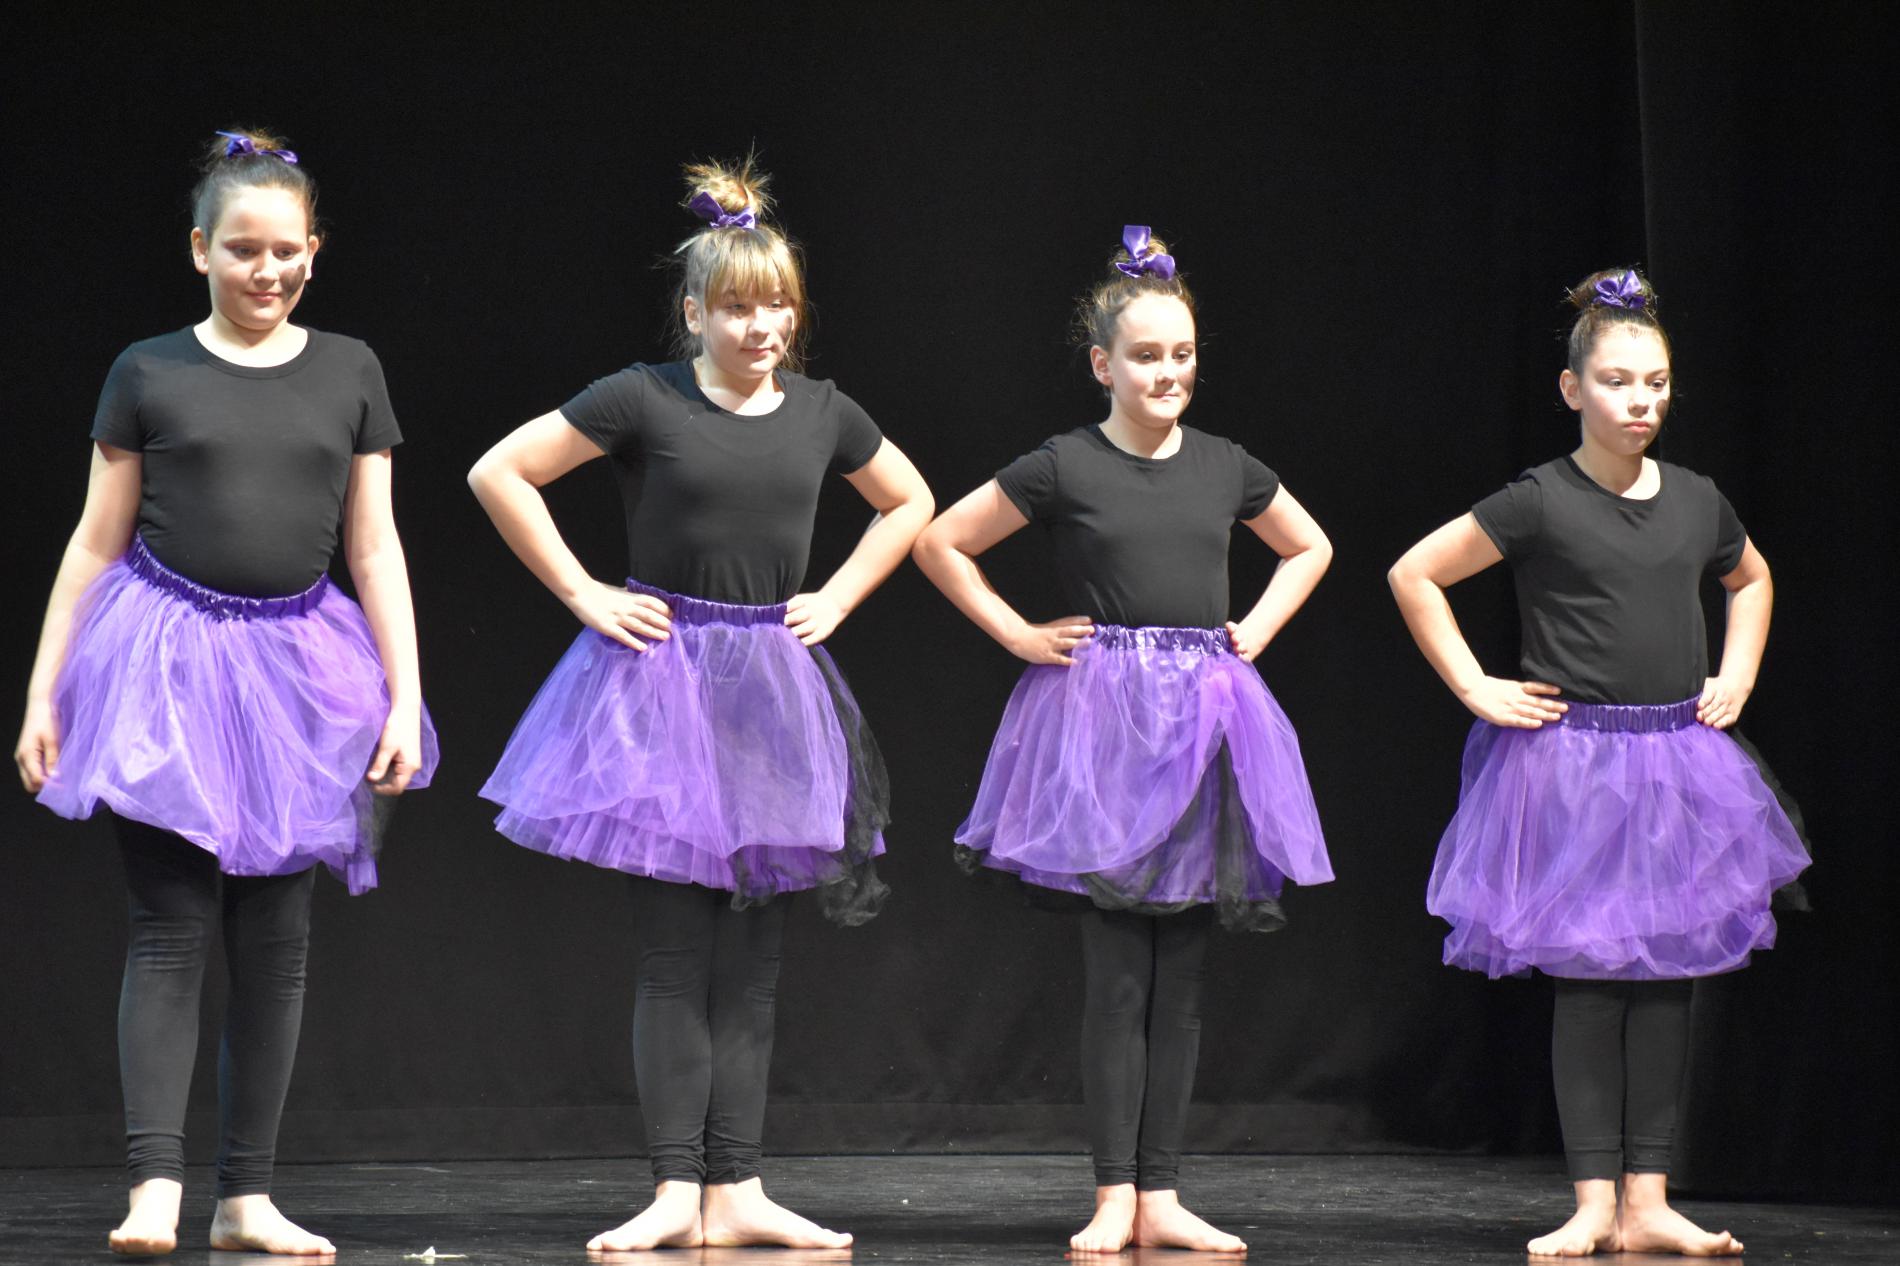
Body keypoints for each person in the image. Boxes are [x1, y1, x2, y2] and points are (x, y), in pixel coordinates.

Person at [468, 157, 932, 1252]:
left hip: (771, 691)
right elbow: (501, 472)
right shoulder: (646, 397)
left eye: (777, 306)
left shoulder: (822, 411)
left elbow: (909, 499)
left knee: (756, 958)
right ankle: (677, 1185)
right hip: (664, 688)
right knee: (676, 950)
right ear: (694, 313)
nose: (760, 326)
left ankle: (741, 1186)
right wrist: (583, 592)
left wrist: (838, 596)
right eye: (736, 307)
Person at [14, 128, 436, 1257]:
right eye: (243, 249)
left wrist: (403, 696)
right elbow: (95, 542)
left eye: (287, 251)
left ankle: (247, 1196)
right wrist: (44, 693)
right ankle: (155, 1183)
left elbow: (375, 547)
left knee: (276, 941)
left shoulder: (350, 369)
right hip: (165, 663)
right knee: (169, 926)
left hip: (298, 673)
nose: (267, 270)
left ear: (315, 251)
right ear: (200, 248)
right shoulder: (149, 371)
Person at [912, 226, 1335, 1254]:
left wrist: (1255, 630)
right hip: (1103, 733)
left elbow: (1309, 546)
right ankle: (1113, 1193)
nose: (1168, 372)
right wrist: (1018, 633)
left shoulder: (1226, 465)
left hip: (1200, 727)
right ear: (1103, 365)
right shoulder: (1067, 463)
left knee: (1179, 978)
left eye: (1182, 354)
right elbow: (942, 540)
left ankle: (1163, 1194)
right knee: (1117, 979)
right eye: (1146, 356)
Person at [1387, 267, 1809, 1257]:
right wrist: (1474, 685)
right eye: (1618, 382)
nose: (1641, 401)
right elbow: (1416, 572)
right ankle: (1590, 1201)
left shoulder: (1698, 500)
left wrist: (1737, 673)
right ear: (1572, 389)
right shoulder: (1541, 500)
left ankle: (1648, 1199)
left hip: (1677, 765)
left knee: (1666, 980)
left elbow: (1750, 580)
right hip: (1574, 770)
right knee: (1588, 982)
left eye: (1656, 383)